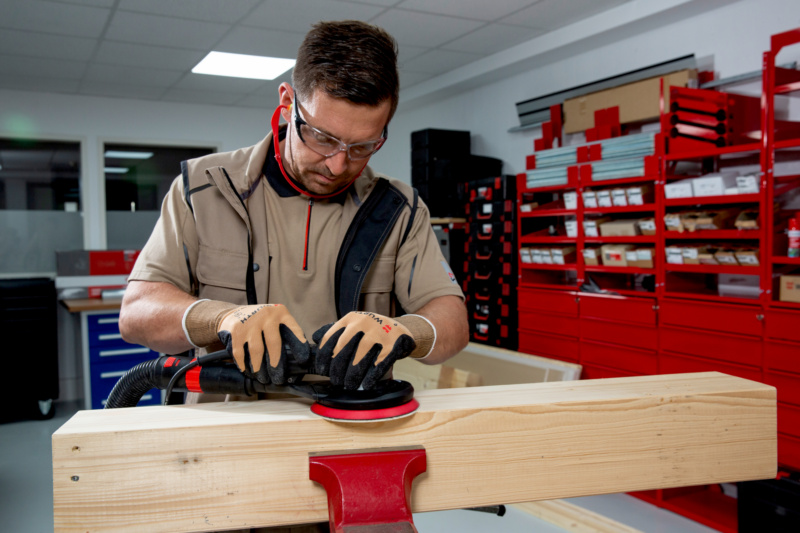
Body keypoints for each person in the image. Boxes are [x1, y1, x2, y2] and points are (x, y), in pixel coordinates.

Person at [119, 20, 468, 404]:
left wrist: (405, 332)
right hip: (226, 432)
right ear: (287, 104)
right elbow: (136, 315)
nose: (338, 165)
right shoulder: (203, 187)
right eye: (322, 137)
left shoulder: (400, 209)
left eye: (362, 146)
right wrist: (220, 319)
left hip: (354, 426)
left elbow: (453, 321)